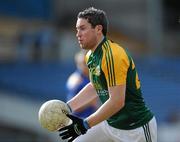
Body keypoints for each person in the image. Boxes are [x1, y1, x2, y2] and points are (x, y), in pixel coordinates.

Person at [59, 7, 157, 142]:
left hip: (135, 129)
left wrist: (84, 124)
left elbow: (117, 101)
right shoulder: (90, 56)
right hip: (109, 125)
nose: (78, 34)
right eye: (77, 29)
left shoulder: (112, 55)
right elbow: (95, 87)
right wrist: (66, 108)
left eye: (82, 28)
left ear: (98, 29)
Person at [66, 50, 97, 118]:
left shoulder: (90, 77)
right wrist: (91, 101)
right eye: (83, 63)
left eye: (88, 62)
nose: (86, 66)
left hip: (89, 119)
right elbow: (73, 108)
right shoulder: (77, 80)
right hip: (79, 120)